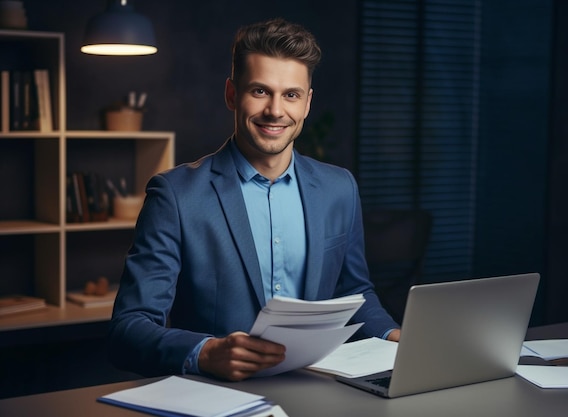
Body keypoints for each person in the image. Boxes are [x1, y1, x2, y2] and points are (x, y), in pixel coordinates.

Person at [108, 17, 400, 382]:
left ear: (307, 103)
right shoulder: (175, 196)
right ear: (232, 94)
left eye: (291, 95)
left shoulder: (339, 188)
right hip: (216, 399)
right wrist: (206, 352)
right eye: (260, 91)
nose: (275, 111)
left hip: (317, 392)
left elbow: (353, 292)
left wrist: (394, 337)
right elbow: (127, 330)